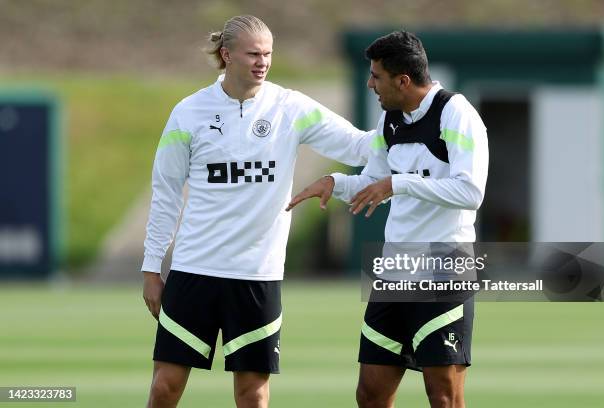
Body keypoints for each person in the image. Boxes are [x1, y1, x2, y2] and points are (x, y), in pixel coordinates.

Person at [141, 15, 373, 408]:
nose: (262, 61)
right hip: (195, 271)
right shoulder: (189, 112)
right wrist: (151, 268)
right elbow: (165, 193)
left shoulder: (291, 107)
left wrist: (412, 126)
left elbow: (359, 147)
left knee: (253, 394)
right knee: (166, 386)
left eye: (267, 53)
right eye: (253, 54)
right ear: (227, 55)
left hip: (257, 276)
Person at [286, 31, 488, 407]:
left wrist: (399, 184)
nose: (370, 84)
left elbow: (470, 192)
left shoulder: (456, 114)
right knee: (370, 392)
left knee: (443, 395)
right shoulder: (390, 120)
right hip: (395, 272)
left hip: (445, 270)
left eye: (376, 76)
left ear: (403, 80)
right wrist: (335, 182)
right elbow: (374, 181)